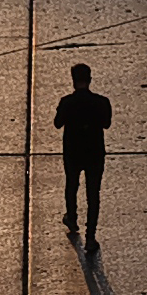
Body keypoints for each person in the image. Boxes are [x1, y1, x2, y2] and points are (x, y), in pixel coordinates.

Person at [52, 60, 112, 247]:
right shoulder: (101, 102)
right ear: (90, 79)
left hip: (73, 152)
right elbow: (106, 123)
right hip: (94, 152)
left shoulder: (67, 102)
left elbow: (57, 123)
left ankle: (72, 217)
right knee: (93, 193)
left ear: (73, 81)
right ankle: (91, 235)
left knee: (72, 185)